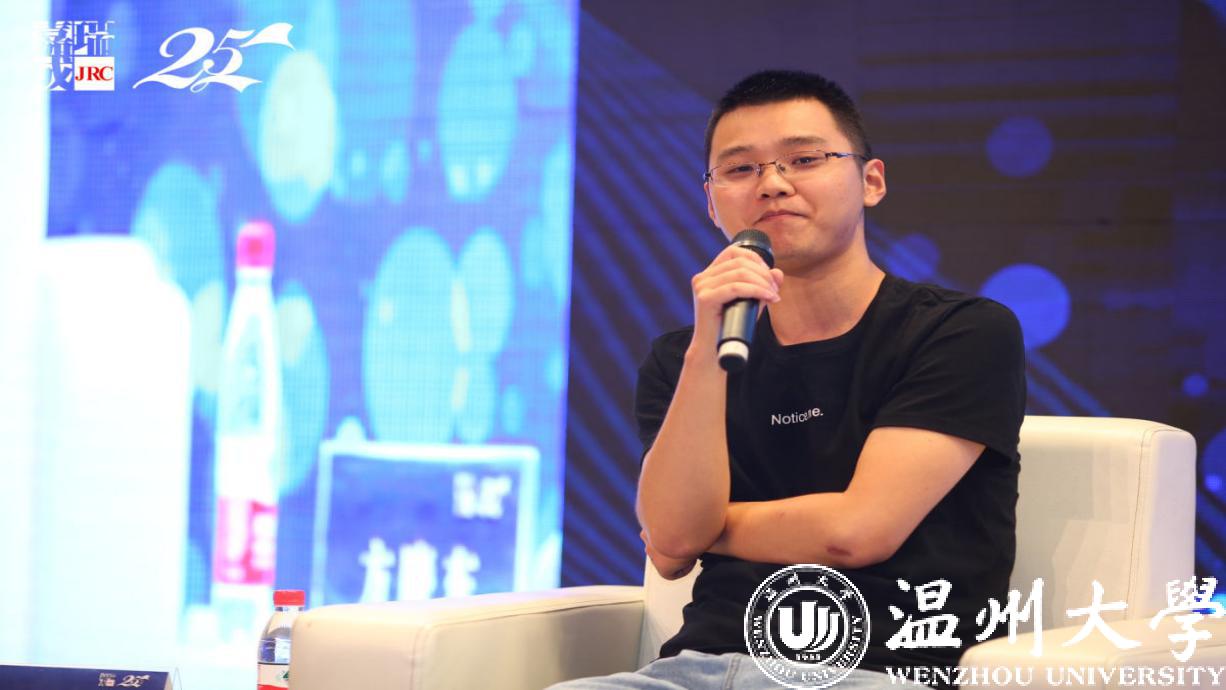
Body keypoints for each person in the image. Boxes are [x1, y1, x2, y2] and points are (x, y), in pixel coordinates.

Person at [550, 70, 1026, 689]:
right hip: (693, 670)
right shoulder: (683, 358)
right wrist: (706, 347)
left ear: (871, 181)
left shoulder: (958, 332)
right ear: (711, 202)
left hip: (877, 673)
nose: (772, 184)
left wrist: (707, 529)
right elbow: (669, 549)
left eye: (804, 159)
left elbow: (856, 533)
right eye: (740, 169)